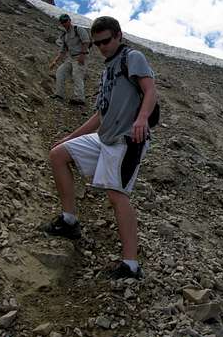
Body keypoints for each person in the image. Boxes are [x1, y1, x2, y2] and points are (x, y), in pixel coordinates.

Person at [41, 16, 158, 280]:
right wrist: (69, 137)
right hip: (105, 137)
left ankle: (131, 265)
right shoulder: (107, 70)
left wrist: (141, 119)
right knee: (58, 154)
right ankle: (69, 221)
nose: (102, 47)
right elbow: (100, 115)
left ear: (118, 35)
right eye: (97, 44)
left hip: (127, 140)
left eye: (106, 41)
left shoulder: (133, 57)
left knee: (117, 195)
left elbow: (150, 91)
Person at [49, 13, 90, 105]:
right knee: (60, 71)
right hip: (71, 58)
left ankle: (80, 98)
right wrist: (54, 62)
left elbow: (86, 41)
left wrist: (82, 55)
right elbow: (63, 51)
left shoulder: (78, 29)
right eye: (62, 22)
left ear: (69, 20)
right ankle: (59, 94)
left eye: (66, 21)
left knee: (77, 75)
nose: (64, 23)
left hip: (80, 56)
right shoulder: (64, 36)